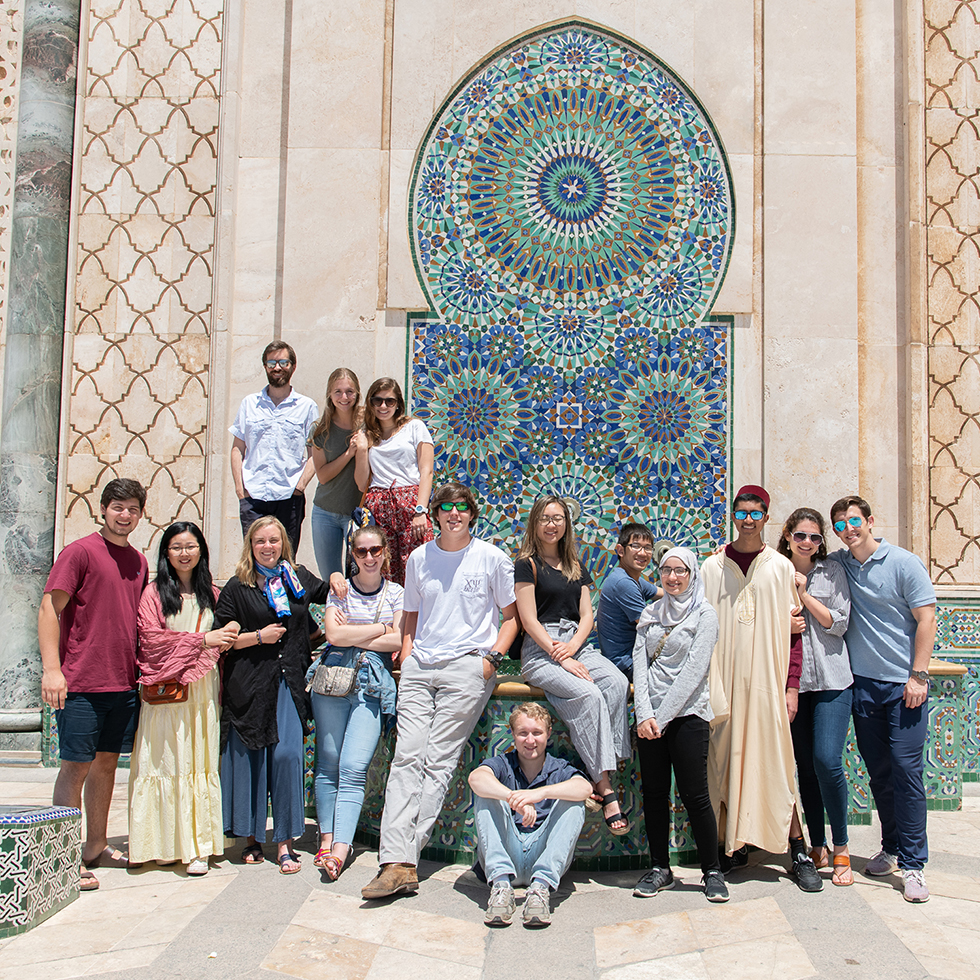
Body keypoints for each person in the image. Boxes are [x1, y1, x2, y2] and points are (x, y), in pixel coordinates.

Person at [361, 481, 519, 900]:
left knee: (438, 762)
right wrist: (409, 655)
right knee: (406, 758)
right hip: (421, 667)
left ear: (472, 514)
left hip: (467, 667)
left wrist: (490, 661)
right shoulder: (418, 558)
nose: (453, 513)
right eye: (446, 507)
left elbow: (510, 617)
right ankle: (396, 861)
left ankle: (401, 862)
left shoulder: (492, 558)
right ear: (435, 514)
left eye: (461, 507)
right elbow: (410, 614)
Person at [701, 485, 822, 892]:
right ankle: (730, 847)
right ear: (732, 514)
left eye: (756, 512)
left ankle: (797, 848)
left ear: (767, 517)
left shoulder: (781, 569)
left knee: (777, 765)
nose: (748, 518)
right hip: (724, 686)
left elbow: (795, 636)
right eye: (742, 511)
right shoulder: (711, 567)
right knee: (723, 762)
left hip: (768, 686)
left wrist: (791, 686)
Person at [38, 478, 149, 891]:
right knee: (76, 766)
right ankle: (61, 857)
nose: (125, 515)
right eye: (118, 507)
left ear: (141, 515)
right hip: (82, 681)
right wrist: (53, 670)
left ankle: (95, 846)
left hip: (122, 684)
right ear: (103, 509)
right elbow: (50, 608)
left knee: (106, 765)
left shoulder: (138, 562)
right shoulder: (80, 552)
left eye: (133, 509)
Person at [827, 495, 936, 902]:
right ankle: (891, 847)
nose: (848, 530)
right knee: (881, 774)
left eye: (853, 521)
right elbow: (799, 556)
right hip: (864, 686)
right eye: (840, 524)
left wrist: (918, 675)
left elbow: (927, 616)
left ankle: (913, 865)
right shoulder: (842, 564)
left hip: (904, 687)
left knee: (907, 773)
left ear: (870, 521)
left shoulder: (904, 563)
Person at [213, 516, 331, 873]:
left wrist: (341, 576)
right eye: (261, 541)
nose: (268, 547)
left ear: (284, 544)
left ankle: (285, 842)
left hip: (287, 682)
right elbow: (222, 640)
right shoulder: (237, 587)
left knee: (287, 757)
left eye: (274, 541)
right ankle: (250, 839)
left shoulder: (297, 578)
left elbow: (329, 593)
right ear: (251, 545)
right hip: (248, 684)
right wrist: (260, 636)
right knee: (250, 759)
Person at [514, 495, 631, 835]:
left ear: (567, 524)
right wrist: (557, 654)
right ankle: (606, 787)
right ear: (536, 523)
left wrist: (572, 649)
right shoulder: (526, 564)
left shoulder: (575, 565)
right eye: (546, 518)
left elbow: (586, 616)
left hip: (575, 645)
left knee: (616, 683)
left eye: (559, 518)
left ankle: (600, 762)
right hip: (540, 650)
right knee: (590, 695)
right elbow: (528, 618)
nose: (552, 524)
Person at [129, 522, 240, 875]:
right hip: (164, 694)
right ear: (166, 553)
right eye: (176, 547)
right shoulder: (153, 594)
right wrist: (203, 641)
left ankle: (198, 848)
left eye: (191, 546)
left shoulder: (214, 594)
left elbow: (227, 637)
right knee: (163, 762)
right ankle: (158, 844)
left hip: (203, 692)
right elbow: (150, 641)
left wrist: (229, 635)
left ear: (201, 551)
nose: (184, 553)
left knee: (197, 762)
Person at [632, 547, 728, 903]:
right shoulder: (650, 613)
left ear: (692, 574)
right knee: (654, 794)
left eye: (680, 571)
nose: (672, 577)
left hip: (687, 716)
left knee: (695, 795)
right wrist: (644, 713)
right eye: (666, 570)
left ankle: (712, 870)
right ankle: (660, 868)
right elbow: (639, 663)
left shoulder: (705, 614)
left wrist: (662, 716)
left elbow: (694, 671)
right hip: (650, 719)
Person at [311, 525, 404, 881]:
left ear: (384, 552)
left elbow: (398, 638)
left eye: (374, 550)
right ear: (352, 555)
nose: (368, 557)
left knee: (352, 766)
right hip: (332, 682)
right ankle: (327, 840)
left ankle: (340, 850)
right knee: (328, 763)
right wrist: (379, 629)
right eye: (361, 551)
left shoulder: (396, 592)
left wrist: (361, 633)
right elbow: (333, 635)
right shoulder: (340, 589)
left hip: (371, 687)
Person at [776, 508, 854, 886]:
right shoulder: (773, 568)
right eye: (801, 535)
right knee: (804, 767)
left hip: (832, 681)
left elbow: (838, 623)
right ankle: (816, 844)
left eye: (815, 537)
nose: (807, 542)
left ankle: (841, 846)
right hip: (792, 684)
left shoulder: (831, 571)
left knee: (826, 760)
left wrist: (804, 596)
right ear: (788, 535)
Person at [468, 702, 592, 928]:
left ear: (548, 734)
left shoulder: (559, 768)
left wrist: (538, 794)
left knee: (575, 803)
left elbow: (584, 788)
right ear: (513, 734)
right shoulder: (503, 763)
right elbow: (476, 778)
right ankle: (501, 887)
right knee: (485, 793)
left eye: (537, 733)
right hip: (507, 853)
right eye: (523, 733)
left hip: (543, 854)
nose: (530, 740)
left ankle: (540, 889)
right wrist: (514, 800)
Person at [230, 341, 319, 552]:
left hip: (289, 497)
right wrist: (240, 489)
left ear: (293, 366)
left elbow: (316, 452)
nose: (277, 368)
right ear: (265, 367)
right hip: (253, 497)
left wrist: (300, 487)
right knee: (254, 561)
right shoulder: (249, 404)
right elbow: (237, 448)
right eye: (271, 363)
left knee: (286, 561)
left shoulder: (307, 407)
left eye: (282, 362)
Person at [353, 377, 434, 585]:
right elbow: (362, 483)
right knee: (384, 568)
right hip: (379, 505)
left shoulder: (414, 427)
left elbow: (427, 471)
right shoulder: (367, 434)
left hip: (410, 504)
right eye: (377, 400)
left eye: (389, 401)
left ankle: (418, 617)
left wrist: (421, 510)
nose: (383, 406)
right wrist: (362, 449)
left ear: (398, 403)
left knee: (418, 566)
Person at [308, 367, 363, 581]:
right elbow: (322, 475)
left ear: (357, 393)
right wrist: (349, 453)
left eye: (350, 391)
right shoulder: (320, 430)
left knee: (359, 578)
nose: (344, 397)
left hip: (357, 515)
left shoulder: (367, 425)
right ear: (330, 395)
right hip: (325, 513)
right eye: (338, 391)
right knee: (331, 579)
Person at [597, 521, 660, 678]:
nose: (643, 553)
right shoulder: (623, 583)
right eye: (636, 546)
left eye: (647, 548)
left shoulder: (633, 579)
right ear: (620, 550)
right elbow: (650, 627)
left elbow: (664, 593)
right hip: (625, 665)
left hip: (630, 660)